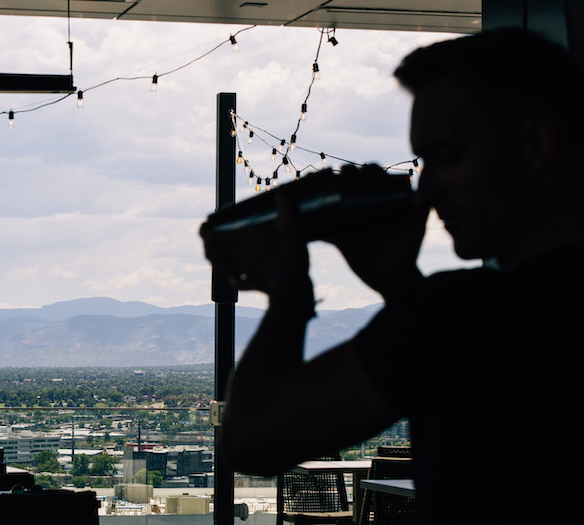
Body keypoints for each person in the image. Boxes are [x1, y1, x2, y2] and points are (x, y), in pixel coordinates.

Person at [202, 28, 584, 523]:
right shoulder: (472, 320)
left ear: (537, 145)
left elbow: (252, 441)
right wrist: (400, 283)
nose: (427, 193)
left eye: (448, 157)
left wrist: (287, 288)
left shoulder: (461, 316)